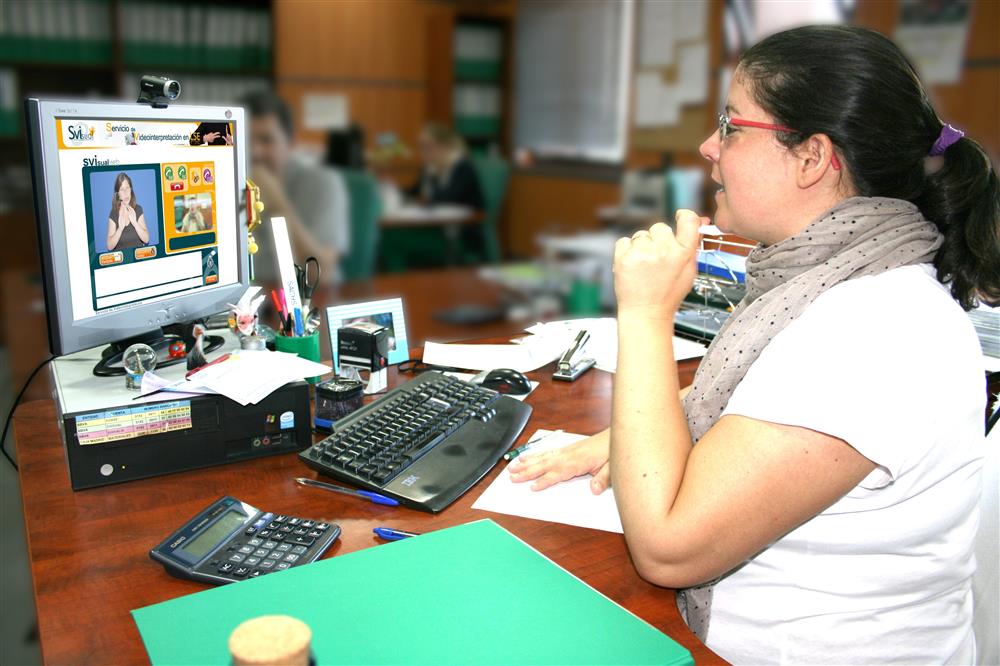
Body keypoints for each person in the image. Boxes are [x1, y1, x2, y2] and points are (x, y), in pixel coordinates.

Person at [509, 25, 997, 664]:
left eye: (732, 125)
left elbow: (667, 548)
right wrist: (630, 435)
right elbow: (767, 390)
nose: (709, 145)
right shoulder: (853, 276)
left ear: (812, 157)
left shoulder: (875, 329)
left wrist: (647, 314)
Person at [241, 91, 350, 284]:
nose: (255, 152)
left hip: (311, 302)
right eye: (246, 140)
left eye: (267, 140)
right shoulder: (224, 187)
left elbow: (320, 275)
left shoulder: (324, 183)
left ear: (290, 144)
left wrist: (278, 206)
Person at [407, 123, 484, 210]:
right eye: (420, 147)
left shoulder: (463, 165)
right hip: (439, 216)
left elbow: (451, 197)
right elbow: (416, 191)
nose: (422, 152)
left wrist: (425, 197)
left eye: (426, 146)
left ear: (443, 146)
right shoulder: (431, 167)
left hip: (464, 219)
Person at [107, 172, 149, 251]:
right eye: (122, 189)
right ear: (118, 194)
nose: (126, 192)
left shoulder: (138, 209)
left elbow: (146, 239)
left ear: (131, 190)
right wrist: (120, 229)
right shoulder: (114, 213)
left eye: (127, 188)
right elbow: (109, 246)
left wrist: (135, 223)